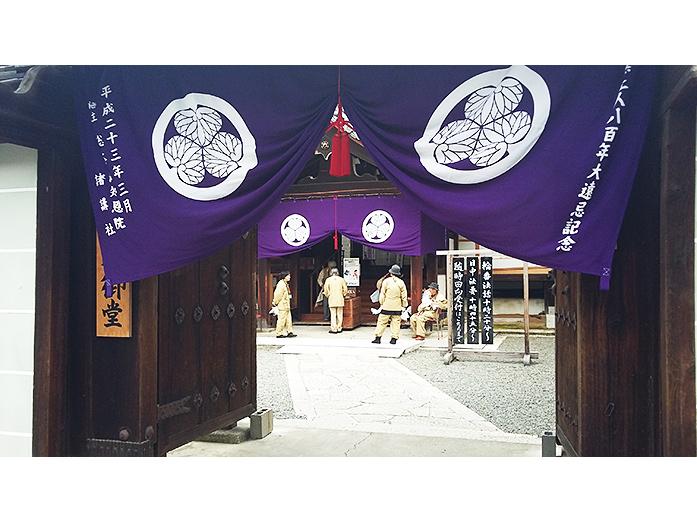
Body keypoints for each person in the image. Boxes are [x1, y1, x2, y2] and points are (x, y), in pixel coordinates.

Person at [372, 264, 408, 345]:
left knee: (382, 321)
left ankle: (378, 337)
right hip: (397, 305)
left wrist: (381, 303)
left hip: (387, 305)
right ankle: (394, 338)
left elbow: (382, 293)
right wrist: (404, 305)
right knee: (396, 322)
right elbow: (404, 295)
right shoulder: (401, 282)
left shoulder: (386, 281)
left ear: (391, 273)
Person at [323, 267, 348, 333]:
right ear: (337, 273)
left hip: (332, 299)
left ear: (331, 273)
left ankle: (333, 328)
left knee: (333, 314)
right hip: (340, 299)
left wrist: (328, 295)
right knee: (339, 314)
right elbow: (345, 289)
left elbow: (326, 290)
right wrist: (343, 294)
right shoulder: (341, 279)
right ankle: (339, 327)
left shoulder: (328, 280)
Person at [272, 271, 296, 338]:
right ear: (285, 276)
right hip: (282, 304)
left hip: (286, 304)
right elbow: (278, 294)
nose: (289, 277)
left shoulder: (285, 283)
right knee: (281, 319)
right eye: (288, 276)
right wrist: (275, 301)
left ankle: (290, 331)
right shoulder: (281, 284)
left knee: (288, 319)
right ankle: (279, 333)